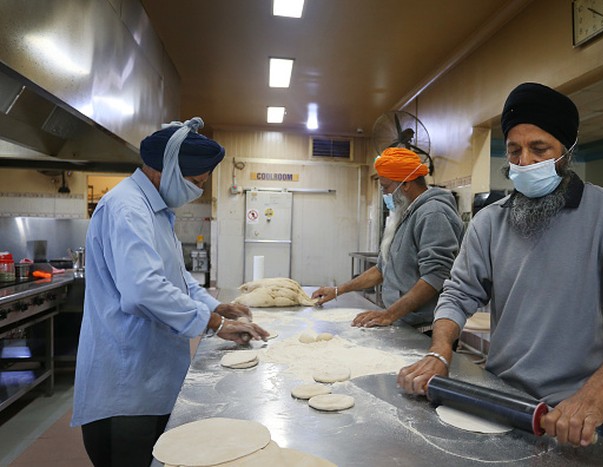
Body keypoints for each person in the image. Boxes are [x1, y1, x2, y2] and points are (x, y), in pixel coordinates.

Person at [397, 83, 603, 450]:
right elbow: (458, 292)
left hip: (581, 415)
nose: (525, 162)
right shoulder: (489, 223)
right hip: (503, 402)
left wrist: (598, 391)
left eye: (539, 149)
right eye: (515, 151)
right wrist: (440, 349)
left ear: (566, 151)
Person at [71, 117, 269, 467]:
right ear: (165, 170)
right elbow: (143, 290)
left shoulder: (157, 212)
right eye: (194, 182)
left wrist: (217, 306)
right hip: (126, 386)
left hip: (152, 380)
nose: (198, 190)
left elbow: (179, 280)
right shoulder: (127, 208)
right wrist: (212, 323)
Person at [312, 147, 464, 331]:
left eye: (386, 187)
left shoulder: (433, 213)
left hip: (426, 328)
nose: (385, 194)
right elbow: (381, 270)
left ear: (406, 183)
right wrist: (338, 290)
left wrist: (389, 314)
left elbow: (434, 277)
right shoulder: (406, 214)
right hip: (404, 321)